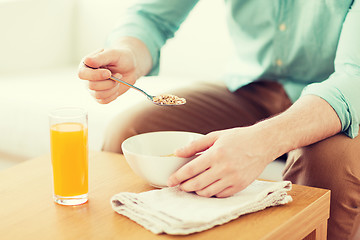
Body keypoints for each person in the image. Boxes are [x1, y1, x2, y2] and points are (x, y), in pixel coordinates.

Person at [78, 1, 360, 239]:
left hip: (338, 99)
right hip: (250, 86)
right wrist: (129, 53)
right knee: (129, 132)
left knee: (327, 164)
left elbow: (354, 76)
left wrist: (264, 141)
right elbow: (151, 16)